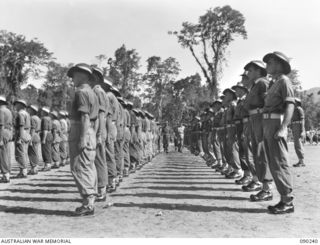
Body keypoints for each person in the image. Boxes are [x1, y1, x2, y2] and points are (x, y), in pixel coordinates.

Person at [262, 51, 295, 214]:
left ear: (280, 64)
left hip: (276, 122)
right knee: (273, 162)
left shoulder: (284, 81)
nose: (267, 65)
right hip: (268, 122)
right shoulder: (273, 83)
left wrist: (283, 128)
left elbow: (290, 105)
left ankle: (287, 201)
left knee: (279, 161)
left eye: (270, 62)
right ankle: (283, 199)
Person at [67, 63, 99, 216]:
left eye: (74, 75)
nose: (72, 78)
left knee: (79, 166)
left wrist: (82, 138)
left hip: (82, 129)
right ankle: (90, 200)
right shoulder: (92, 92)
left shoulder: (81, 92)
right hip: (89, 131)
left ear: (82, 75)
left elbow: (85, 116)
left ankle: (88, 203)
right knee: (88, 166)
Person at [242, 60, 273, 202]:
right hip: (253, 117)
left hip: (260, 117)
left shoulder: (262, 83)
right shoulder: (255, 85)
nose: (248, 73)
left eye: (251, 70)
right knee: (256, 152)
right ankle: (261, 185)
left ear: (260, 71)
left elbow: (269, 101)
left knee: (261, 152)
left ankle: (267, 189)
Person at [91, 66, 109, 201]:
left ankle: (101, 189)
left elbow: (100, 115)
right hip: (98, 129)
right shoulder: (97, 91)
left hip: (98, 129)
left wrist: (98, 134)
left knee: (99, 159)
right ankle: (99, 187)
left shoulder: (98, 92)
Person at [231, 82, 253, 185]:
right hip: (239, 126)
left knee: (247, 152)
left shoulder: (246, 100)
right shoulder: (239, 102)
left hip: (246, 124)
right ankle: (246, 174)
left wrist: (246, 129)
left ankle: (251, 176)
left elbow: (248, 115)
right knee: (242, 152)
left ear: (244, 90)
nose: (236, 92)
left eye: (238, 90)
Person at [102, 79, 119, 193]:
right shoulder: (113, 97)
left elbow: (108, 116)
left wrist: (107, 132)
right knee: (111, 154)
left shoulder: (108, 96)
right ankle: (113, 179)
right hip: (112, 126)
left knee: (108, 155)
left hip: (109, 126)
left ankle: (111, 180)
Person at [222, 88, 243, 179]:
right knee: (229, 149)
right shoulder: (230, 106)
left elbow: (237, 119)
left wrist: (235, 132)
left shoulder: (234, 104)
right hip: (229, 128)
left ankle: (238, 170)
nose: (225, 96)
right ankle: (234, 168)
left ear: (231, 95)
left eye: (227, 94)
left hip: (233, 128)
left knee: (234, 149)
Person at [14, 99, 31, 178]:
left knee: (20, 153)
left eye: (16, 104)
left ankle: (23, 171)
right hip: (27, 133)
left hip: (22, 133)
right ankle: (24, 170)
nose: (15, 106)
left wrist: (19, 138)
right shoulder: (27, 114)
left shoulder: (20, 114)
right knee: (24, 153)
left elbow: (21, 125)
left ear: (21, 105)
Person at [0, 95, 13, 183]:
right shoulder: (8, 111)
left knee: (2, 154)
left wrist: (0, 138)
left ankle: (5, 175)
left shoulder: (0, 111)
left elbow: (1, 125)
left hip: (2, 132)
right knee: (7, 153)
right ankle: (7, 172)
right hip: (8, 132)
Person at [291, 98, 306, 167]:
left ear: (297, 102)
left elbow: (302, 120)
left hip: (298, 126)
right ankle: (300, 160)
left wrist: (302, 130)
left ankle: (301, 161)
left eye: (295, 101)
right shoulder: (294, 109)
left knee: (298, 144)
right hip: (295, 126)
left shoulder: (299, 109)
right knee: (296, 144)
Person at [27, 105, 41, 175]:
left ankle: (34, 168)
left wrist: (30, 140)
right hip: (37, 135)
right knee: (35, 152)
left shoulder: (32, 118)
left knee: (32, 153)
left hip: (33, 135)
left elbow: (32, 129)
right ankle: (36, 167)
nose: (28, 110)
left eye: (29, 109)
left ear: (32, 110)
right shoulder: (38, 118)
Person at [40, 107, 53, 171]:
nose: (41, 112)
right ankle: (48, 164)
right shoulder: (49, 118)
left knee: (45, 150)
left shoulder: (44, 119)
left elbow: (45, 129)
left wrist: (43, 139)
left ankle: (47, 165)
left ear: (45, 112)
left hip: (46, 135)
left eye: (42, 111)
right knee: (48, 150)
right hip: (50, 134)